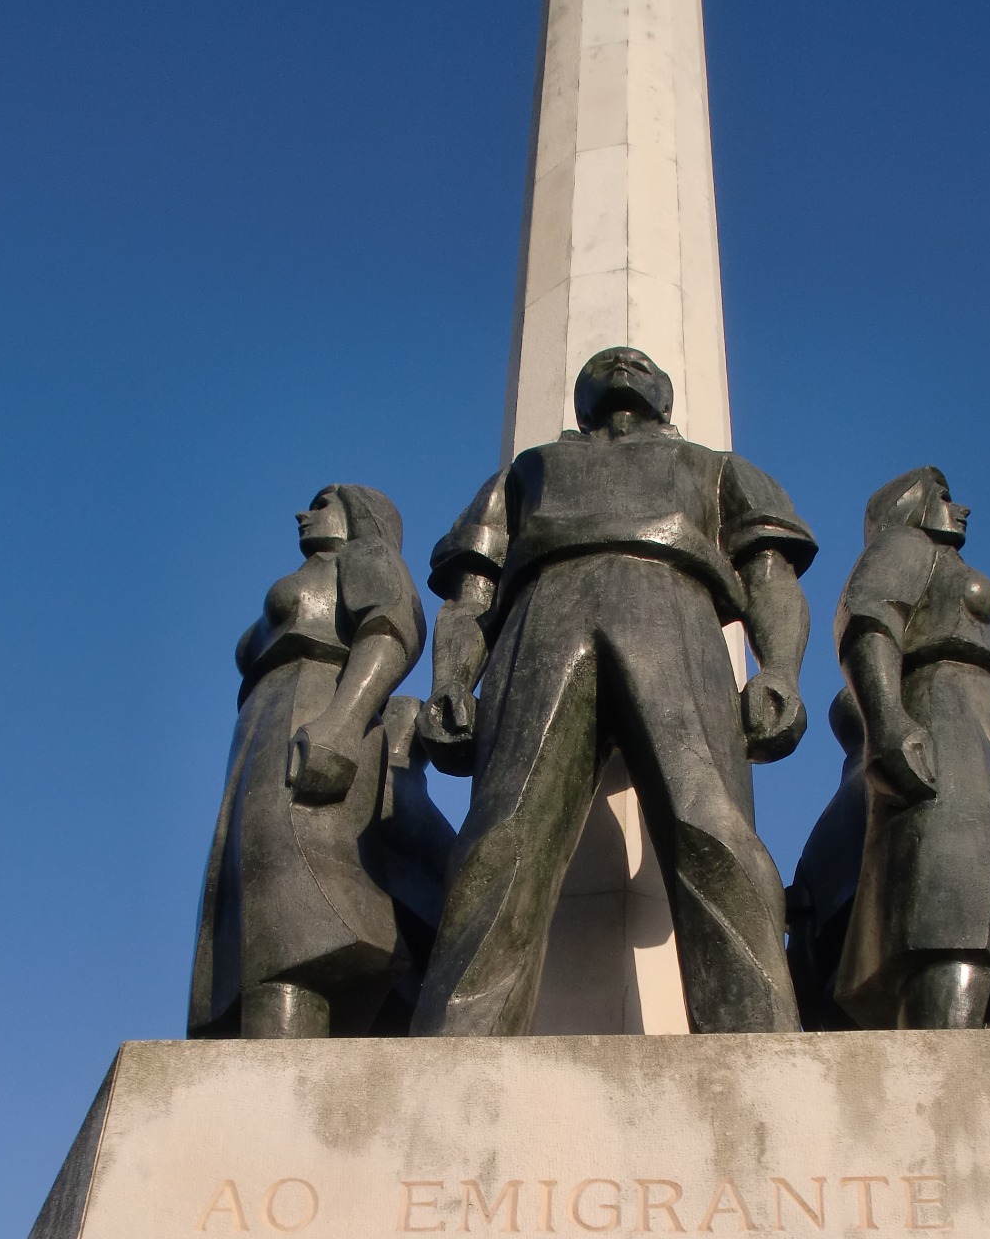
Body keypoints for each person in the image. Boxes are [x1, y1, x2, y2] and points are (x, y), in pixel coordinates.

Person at [413, 346, 816, 1036]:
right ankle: (455, 1046)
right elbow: (471, 590)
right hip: (542, 613)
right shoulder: (528, 471)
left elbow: (771, 574)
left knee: (710, 822)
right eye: (603, 362)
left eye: (638, 363)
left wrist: (777, 668)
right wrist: (451, 678)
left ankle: (761, 1038)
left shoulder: (714, 468)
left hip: (675, 608)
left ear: (665, 395)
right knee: (504, 833)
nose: (621, 365)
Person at [188, 484, 451, 1039]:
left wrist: (342, 722)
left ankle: (280, 1075)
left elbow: (390, 627)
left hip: (315, 707)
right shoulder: (318, 572)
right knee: (255, 909)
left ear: (361, 515)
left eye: (324, 503)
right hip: (263, 727)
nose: (305, 514)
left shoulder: (366, 556)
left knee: (292, 913)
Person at [834, 466, 990, 1029]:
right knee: (952, 898)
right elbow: (869, 621)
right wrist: (886, 722)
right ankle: (941, 1065)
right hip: (942, 715)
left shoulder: (949, 565)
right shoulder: (907, 545)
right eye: (946, 497)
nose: (964, 509)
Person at [786, 687, 867, 1030]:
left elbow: (800, 942)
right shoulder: (882, 786)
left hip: (835, 999)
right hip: (887, 982)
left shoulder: (822, 830)